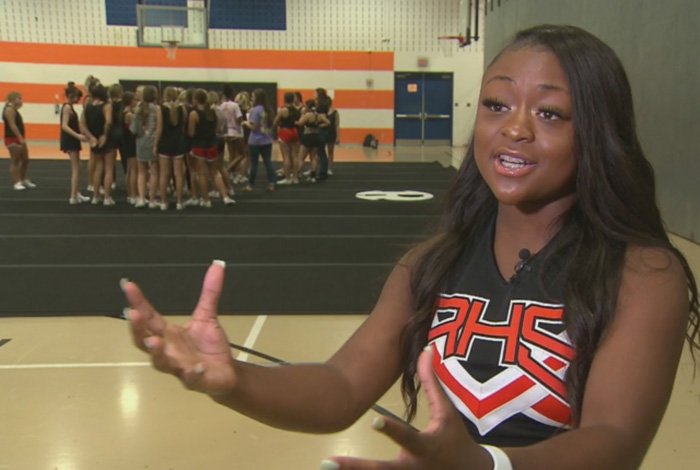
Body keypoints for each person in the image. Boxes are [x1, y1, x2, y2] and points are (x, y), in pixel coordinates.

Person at [122, 25, 700, 470]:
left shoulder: (642, 273)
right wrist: (236, 380)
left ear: (597, 133)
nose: (514, 129)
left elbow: (615, 441)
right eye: (497, 105)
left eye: (549, 113)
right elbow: (342, 387)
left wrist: (486, 463)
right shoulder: (431, 264)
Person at [59, 82, 90, 204]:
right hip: (70, 139)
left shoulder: (70, 107)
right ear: (71, 95)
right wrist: (78, 136)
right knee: (76, 168)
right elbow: (64, 126)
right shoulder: (67, 107)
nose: (79, 100)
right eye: (78, 97)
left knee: (79, 167)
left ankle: (76, 192)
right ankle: (73, 196)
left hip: (73, 139)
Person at [3, 92, 35, 190]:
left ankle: (23, 178)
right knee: (15, 160)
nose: (21, 100)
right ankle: (16, 182)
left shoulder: (14, 110)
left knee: (25, 160)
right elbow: (12, 125)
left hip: (19, 137)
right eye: (19, 98)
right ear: (13, 99)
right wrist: (20, 137)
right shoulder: (9, 110)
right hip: (12, 138)